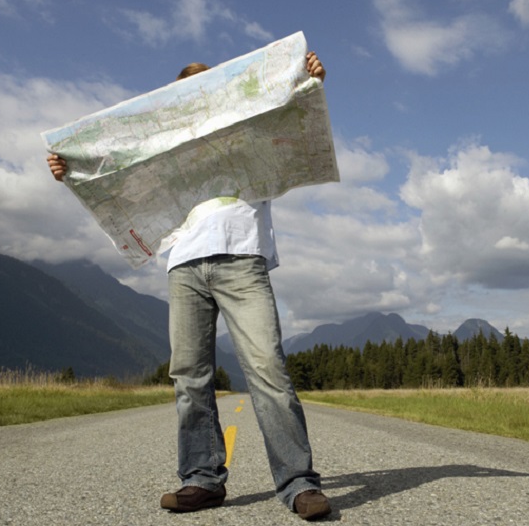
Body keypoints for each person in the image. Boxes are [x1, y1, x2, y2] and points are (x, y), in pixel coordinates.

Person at [46, 51, 332, 521]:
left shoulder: (245, 126)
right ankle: (201, 479)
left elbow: (290, 118)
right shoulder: (165, 145)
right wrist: (71, 172)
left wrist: (309, 81)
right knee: (190, 377)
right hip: (183, 265)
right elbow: (118, 173)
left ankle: (298, 483)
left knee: (268, 369)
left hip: (242, 256)